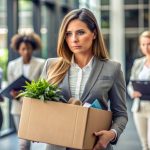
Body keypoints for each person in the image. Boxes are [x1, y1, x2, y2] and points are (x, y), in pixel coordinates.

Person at [41, 8, 128, 150]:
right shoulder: (51, 65)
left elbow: (121, 114)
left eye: (80, 32)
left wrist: (111, 134)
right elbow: (41, 106)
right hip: (57, 145)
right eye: (69, 34)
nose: (74, 39)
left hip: (94, 145)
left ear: (94, 34)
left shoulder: (113, 69)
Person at [7, 32, 45, 150]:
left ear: (33, 48)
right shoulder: (12, 65)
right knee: (23, 141)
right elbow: (11, 86)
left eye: (28, 48)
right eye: (23, 49)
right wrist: (13, 94)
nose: (26, 51)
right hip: (18, 107)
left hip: (34, 107)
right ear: (18, 49)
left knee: (26, 140)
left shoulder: (41, 64)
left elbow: (43, 85)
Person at [127, 31, 150, 150]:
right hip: (139, 107)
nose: (146, 47)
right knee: (144, 144)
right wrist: (132, 92)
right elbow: (130, 84)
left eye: (149, 44)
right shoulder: (138, 63)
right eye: (143, 44)